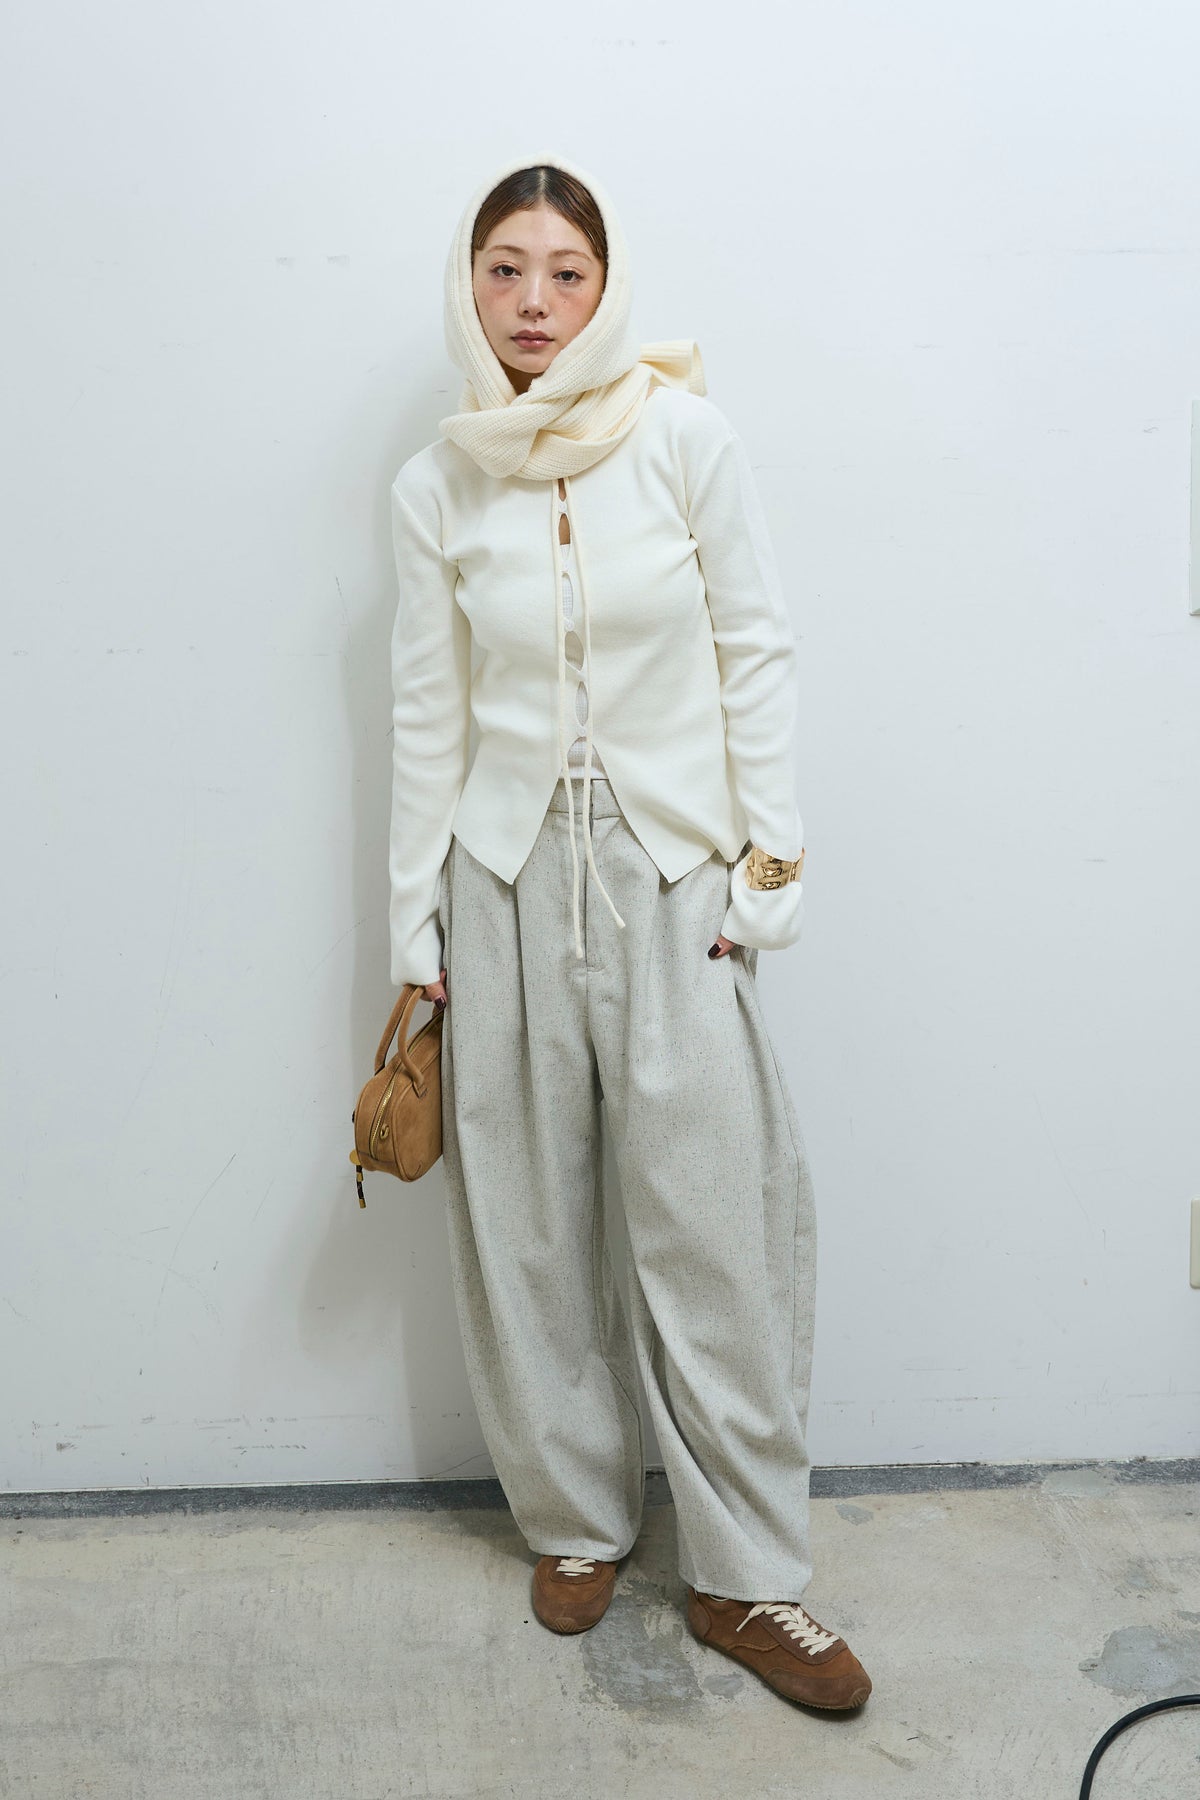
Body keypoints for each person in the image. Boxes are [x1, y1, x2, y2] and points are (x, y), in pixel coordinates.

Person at [386, 148, 872, 1713]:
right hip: (503, 874)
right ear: (469, 287)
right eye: (505, 269)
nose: (533, 302)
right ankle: (575, 1522)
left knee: (715, 1223)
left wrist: (765, 873)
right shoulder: (436, 481)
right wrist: (417, 932)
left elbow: (756, 646)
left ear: (606, 289)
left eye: (565, 273)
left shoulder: (684, 438)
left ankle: (746, 1575)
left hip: (671, 873)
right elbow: (427, 713)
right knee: (524, 1224)